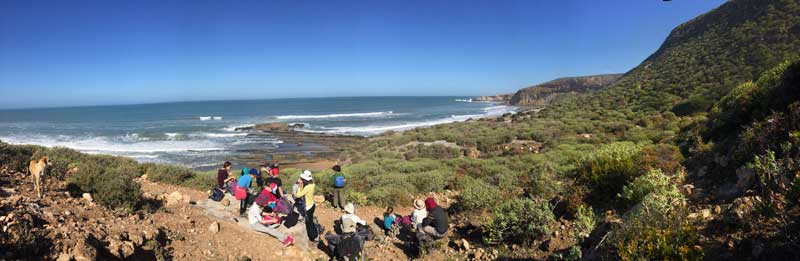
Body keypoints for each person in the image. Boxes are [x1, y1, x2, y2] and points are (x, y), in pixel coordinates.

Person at [294, 170, 318, 242]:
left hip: (308, 207)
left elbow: (298, 195)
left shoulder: (307, 187)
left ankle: (312, 236)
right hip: (312, 205)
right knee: (311, 220)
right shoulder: (312, 184)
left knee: (309, 223)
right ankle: (315, 234)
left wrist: (299, 186)